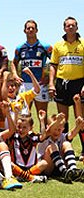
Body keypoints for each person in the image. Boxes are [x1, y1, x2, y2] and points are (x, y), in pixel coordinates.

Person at [49, 16, 84, 160]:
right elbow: (53, 65)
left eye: (73, 25)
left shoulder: (82, 44)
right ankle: (65, 149)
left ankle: (83, 151)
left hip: (79, 84)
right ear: (64, 28)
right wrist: (51, 83)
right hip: (62, 84)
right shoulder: (58, 45)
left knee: (81, 119)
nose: (70, 27)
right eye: (68, 25)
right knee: (63, 120)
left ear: (77, 27)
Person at [11, 20, 52, 122]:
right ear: (24, 30)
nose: (30, 30)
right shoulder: (20, 48)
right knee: (23, 116)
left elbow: (55, 63)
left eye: (32, 28)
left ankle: (43, 137)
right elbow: (13, 63)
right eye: (28, 28)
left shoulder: (46, 47)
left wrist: (50, 78)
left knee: (42, 116)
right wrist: (15, 75)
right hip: (25, 85)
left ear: (36, 30)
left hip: (40, 84)